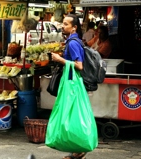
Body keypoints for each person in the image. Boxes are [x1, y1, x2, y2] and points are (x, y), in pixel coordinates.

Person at [51, 14, 86, 159]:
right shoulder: (72, 41)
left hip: (72, 83)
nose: (62, 26)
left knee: (71, 115)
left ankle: (78, 148)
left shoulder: (72, 43)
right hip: (71, 81)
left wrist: (60, 59)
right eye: (63, 24)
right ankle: (77, 150)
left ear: (74, 27)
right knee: (72, 115)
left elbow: (79, 65)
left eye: (66, 24)